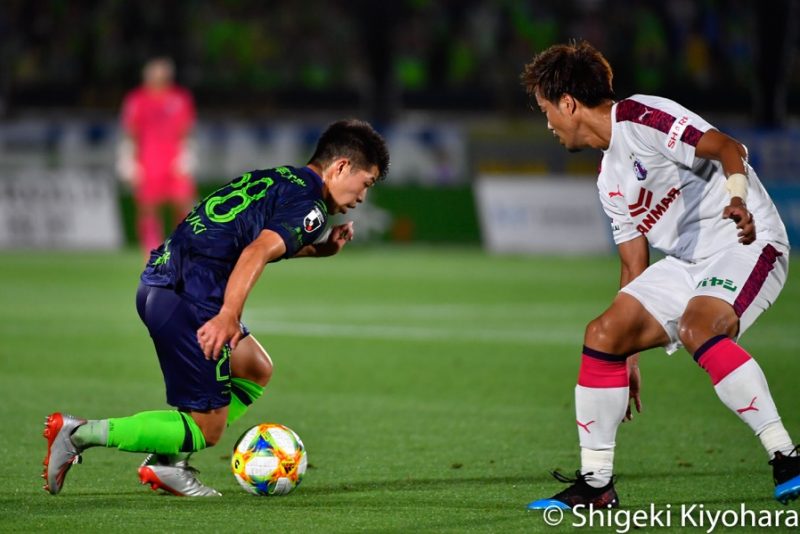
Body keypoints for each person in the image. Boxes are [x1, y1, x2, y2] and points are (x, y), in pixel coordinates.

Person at [42, 119, 390, 496]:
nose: (361, 197)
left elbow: (249, 240)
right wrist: (227, 315)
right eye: (366, 183)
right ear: (340, 167)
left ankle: (167, 465)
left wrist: (320, 249)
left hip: (164, 282)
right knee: (207, 429)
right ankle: (77, 434)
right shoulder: (312, 207)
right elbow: (257, 252)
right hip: (189, 298)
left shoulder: (280, 178)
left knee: (254, 367)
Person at [520, 41, 799, 509]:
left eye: (547, 110)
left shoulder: (640, 117)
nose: (548, 122)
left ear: (568, 103)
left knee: (697, 326)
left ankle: (787, 457)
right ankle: (596, 485)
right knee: (603, 334)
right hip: (689, 263)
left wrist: (735, 198)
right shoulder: (609, 178)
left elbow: (729, 147)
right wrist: (628, 356)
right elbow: (634, 266)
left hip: (747, 242)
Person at [118, 57, 197, 256]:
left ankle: (185, 246)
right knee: (148, 207)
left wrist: (186, 154)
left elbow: (186, 129)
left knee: (184, 202)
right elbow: (130, 132)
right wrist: (128, 158)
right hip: (148, 160)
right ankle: (152, 251)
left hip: (173, 159)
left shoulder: (180, 98)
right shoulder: (137, 99)